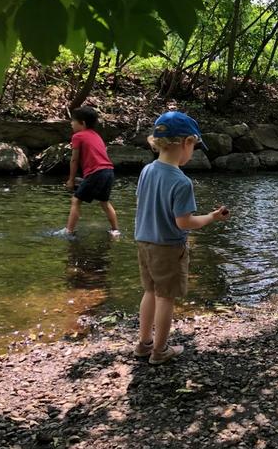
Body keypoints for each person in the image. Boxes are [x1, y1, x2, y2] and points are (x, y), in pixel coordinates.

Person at [133, 111, 230, 365]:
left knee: (150, 292)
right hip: (168, 247)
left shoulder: (146, 171)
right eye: (194, 147)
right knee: (166, 297)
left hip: (144, 242)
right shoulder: (181, 181)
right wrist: (211, 217)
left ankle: (144, 344)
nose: (193, 153)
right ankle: (160, 350)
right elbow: (184, 222)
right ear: (186, 142)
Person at [62, 106, 119, 237]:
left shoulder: (78, 136)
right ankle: (115, 230)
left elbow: (74, 160)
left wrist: (71, 180)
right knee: (104, 202)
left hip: (97, 172)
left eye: (73, 121)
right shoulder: (96, 136)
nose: (71, 123)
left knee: (76, 200)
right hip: (109, 171)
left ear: (83, 123)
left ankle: (68, 231)